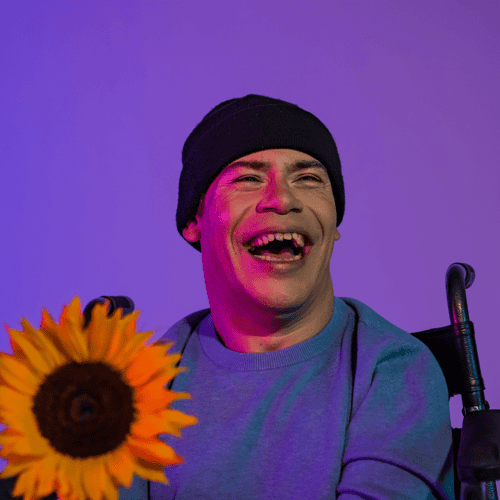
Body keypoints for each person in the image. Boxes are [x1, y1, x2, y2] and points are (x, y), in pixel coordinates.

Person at [132, 94, 454, 499]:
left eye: (308, 179)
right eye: (248, 179)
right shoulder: (139, 385)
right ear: (194, 221)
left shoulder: (391, 372)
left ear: (334, 221)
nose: (283, 199)